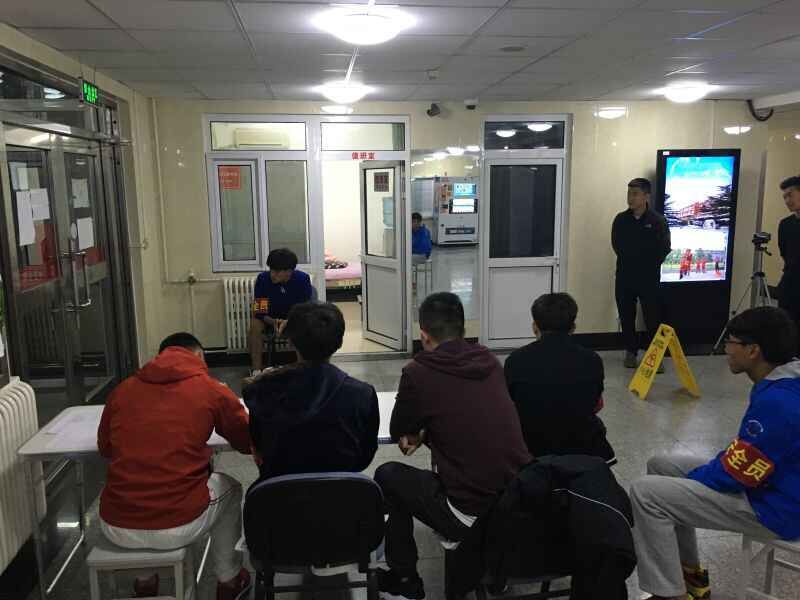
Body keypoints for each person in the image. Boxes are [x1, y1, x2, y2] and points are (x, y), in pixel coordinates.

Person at [629, 307, 800, 600]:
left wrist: (696, 479)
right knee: (661, 465)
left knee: (646, 493)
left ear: (753, 351)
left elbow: (737, 475)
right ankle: (691, 579)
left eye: (731, 342)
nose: (726, 349)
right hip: (775, 484)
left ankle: (669, 594)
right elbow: (749, 455)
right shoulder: (787, 379)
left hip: (776, 508)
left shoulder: (778, 402)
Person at [375, 292, 531, 600]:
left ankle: (405, 577)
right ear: (463, 329)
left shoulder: (418, 372)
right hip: (518, 500)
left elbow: (399, 431)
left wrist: (421, 433)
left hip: (470, 512)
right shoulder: (489, 360)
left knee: (387, 476)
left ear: (424, 335)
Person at [98, 333, 251, 600]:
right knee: (231, 487)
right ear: (199, 356)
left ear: (159, 357)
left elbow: (106, 448)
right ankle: (229, 580)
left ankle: (145, 583)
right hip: (178, 522)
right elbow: (245, 440)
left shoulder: (123, 389)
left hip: (115, 523)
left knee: (135, 487)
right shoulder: (210, 388)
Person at [244, 301, 379, 481]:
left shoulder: (263, 390)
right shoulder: (363, 395)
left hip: (278, 493)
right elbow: (365, 455)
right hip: (342, 493)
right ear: (340, 342)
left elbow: (259, 450)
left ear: (291, 342)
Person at [504, 293, 615, 462]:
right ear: (573, 328)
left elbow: (510, 408)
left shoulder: (515, 361)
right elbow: (596, 405)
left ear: (534, 327)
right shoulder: (592, 360)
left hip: (532, 448)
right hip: (582, 449)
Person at [611, 177, 671, 368]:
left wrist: (647, 265)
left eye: (635, 194)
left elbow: (664, 248)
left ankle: (655, 357)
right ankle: (631, 351)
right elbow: (617, 245)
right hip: (625, 276)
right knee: (626, 316)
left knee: (652, 318)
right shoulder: (621, 220)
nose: (631, 198)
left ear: (646, 196)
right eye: (629, 193)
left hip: (649, 278)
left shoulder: (657, 221)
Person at [248, 248, 313, 375]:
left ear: (289, 271)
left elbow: (305, 310)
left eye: (277, 271)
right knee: (254, 325)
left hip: (293, 319)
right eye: (271, 269)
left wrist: (288, 322)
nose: (272, 274)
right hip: (269, 319)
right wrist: (273, 322)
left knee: (303, 326)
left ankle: (303, 369)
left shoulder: (302, 279)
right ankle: (256, 371)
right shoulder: (263, 279)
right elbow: (259, 311)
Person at [778, 175, 800, 353]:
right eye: (784, 197)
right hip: (790, 286)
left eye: (790, 195)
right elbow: (784, 253)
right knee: (788, 333)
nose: (787, 200)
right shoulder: (785, 225)